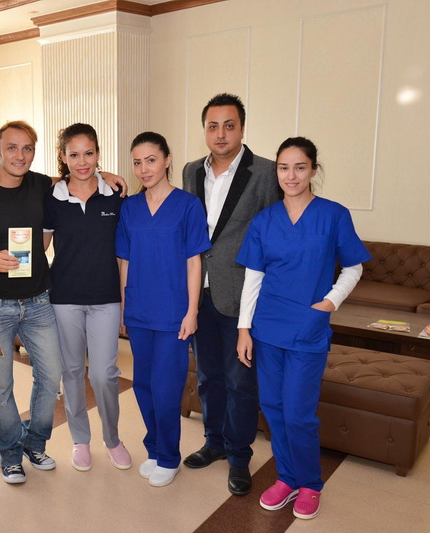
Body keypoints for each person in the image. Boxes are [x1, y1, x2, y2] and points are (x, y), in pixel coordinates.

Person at [0, 120, 127, 485]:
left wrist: (106, 174)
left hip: (39, 301)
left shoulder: (41, 185)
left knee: (52, 376)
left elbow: (77, 175)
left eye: (27, 148)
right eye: (11, 148)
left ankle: (35, 443)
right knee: (1, 387)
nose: (19, 155)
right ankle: (10, 454)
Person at [236, 137, 369, 519]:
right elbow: (253, 279)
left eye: (299, 167)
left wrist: (329, 302)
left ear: (313, 170)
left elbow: (354, 267)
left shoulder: (333, 215)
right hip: (267, 328)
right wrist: (244, 329)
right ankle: (287, 478)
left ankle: (310, 483)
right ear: (276, 171)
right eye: (283, 167)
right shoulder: (265, 221)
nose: (290, 175)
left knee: (298, 413)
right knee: (273, 408)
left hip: (308, 329)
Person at [181, 93, 281, 496]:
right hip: (198, 292)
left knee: (241, 380)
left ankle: (239, 456)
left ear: (242, 128)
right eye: (213, 126)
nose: (220, 133)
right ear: (204, 130)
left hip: (243, 297)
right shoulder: (191, 171)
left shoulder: (267, 172)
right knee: (208, 376)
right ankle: (215, 442)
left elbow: (275, 236)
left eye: (229, 125)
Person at [116, 131, 210, 487]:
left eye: (151, 160)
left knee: (166, 387)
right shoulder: (130, 207)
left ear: (168, 160)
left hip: (173, 312)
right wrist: (124, 307)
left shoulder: (187, 205)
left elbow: (194, 261)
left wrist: (192, 311)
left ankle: (169, 457)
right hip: (139, 309)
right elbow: (124, 261)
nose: (144, 169)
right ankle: (154, 449)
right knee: (142, 384)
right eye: (137, 162)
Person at [43, 123, 132, 472]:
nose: (82, 162)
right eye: (74, 154)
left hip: (106, 298)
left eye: (89, 153)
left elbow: (124, 255)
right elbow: (41, 248)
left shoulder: (115, 195)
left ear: (98, 153)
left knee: (105, 374)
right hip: (64, 297)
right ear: (63, 157)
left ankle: (113, 438)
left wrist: (125, 300)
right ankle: (80, 439)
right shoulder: (51, 198)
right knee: (72, 371)